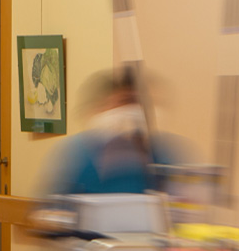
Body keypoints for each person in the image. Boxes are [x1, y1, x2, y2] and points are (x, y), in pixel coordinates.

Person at [44, 70, 187, 196]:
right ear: (101, 108)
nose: (133, 109)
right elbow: (52, 208)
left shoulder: (165, 152)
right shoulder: (78, 153)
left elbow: (182, 199)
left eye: (141, 102)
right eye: (125, 101)